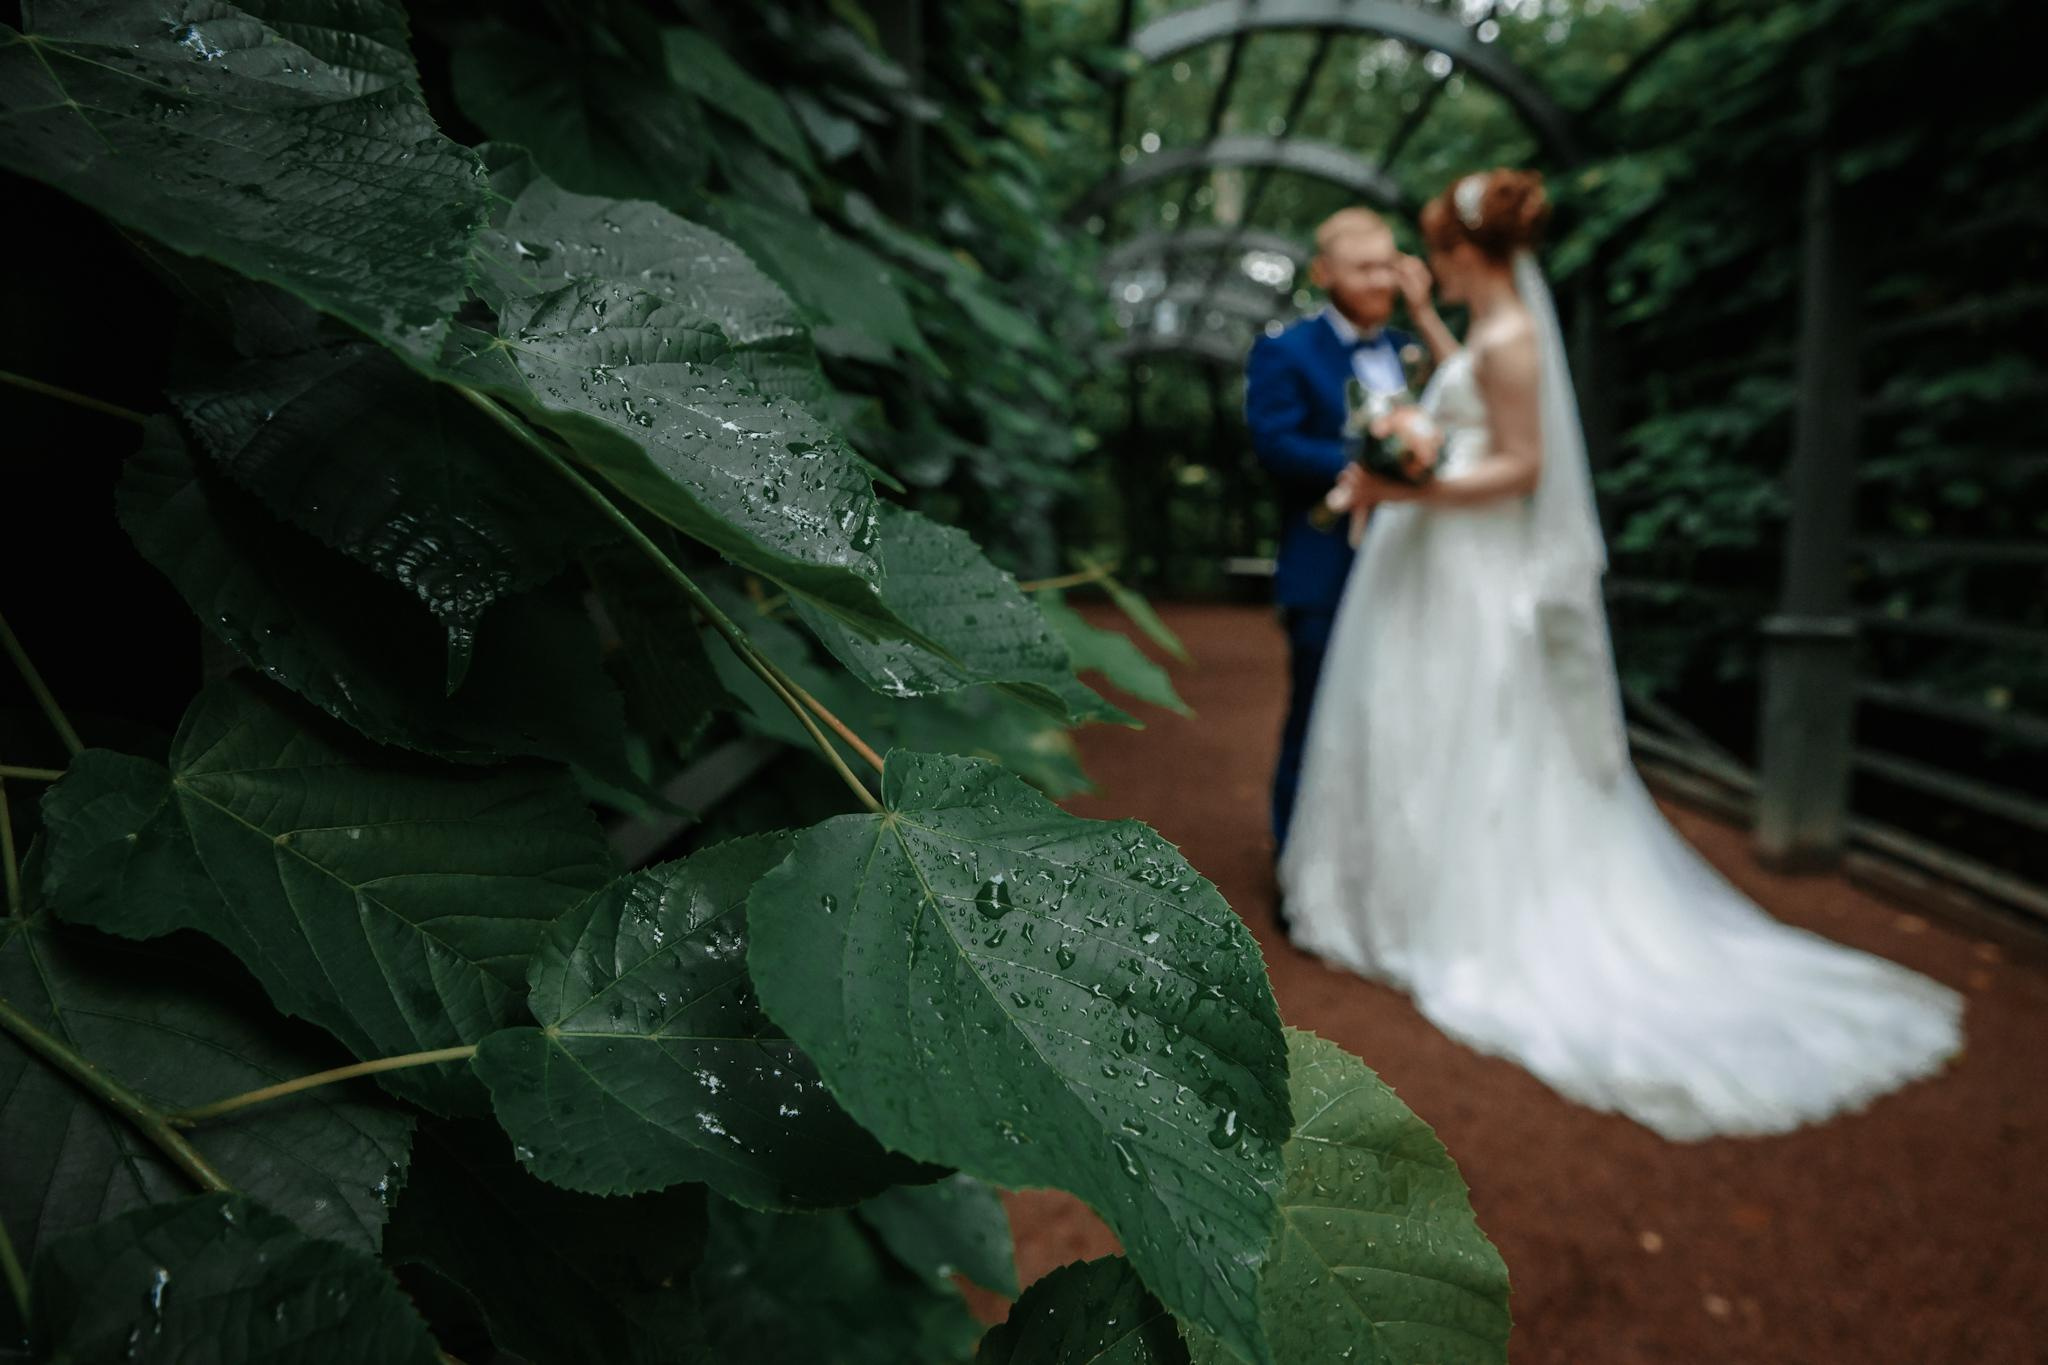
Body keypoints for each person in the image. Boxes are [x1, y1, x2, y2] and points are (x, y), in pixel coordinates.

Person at [1278, 169, 1963, 1140]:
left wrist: (1408, 493)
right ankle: (1401, 895)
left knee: (1472, 738)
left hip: (1469, 564)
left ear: (1468, 252)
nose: (1423, 266)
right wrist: (1428, 369)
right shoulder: (1494, 333)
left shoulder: (1512, 342)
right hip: (1439, 566)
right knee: (1422, 729)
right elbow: (1471, 394)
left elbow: (1521, 466)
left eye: (1435, 249)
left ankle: (1454, 912)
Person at [1244, 208, 1452, 863]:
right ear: (1322, 272)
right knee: (1318, 711)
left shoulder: (1410, 349)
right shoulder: (1287, 351)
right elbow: (1274, 444)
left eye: (1389, 264)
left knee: (1403, 709)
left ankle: (1380, 858)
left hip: (1417, 563)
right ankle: (1296, 858)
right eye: (1363, 268)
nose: (1380, 280)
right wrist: (1368, 460)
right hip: (1326, 562)